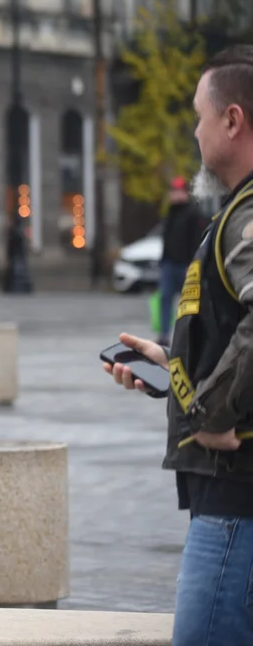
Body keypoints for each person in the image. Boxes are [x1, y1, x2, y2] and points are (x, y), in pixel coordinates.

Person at [103, 45, 253, 646]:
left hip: (235, 488)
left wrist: (210, 411)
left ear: (233, 120)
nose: (194, 131)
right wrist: (176, 365)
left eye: (199, 116)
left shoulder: (247, 217)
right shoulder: (235, 213)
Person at [158, 176, 205, 346]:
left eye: (179, 191)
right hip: (169, 264)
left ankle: (187, 336)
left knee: (188, 303)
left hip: (184, 265)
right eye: (174, 191)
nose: (176, 195)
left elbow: (196, 240)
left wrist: (192, 264)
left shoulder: (193, 213)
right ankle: (164, 334)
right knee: (165, 298)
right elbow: (166, 239)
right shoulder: (170, 212)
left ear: (185, 193)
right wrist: (162, 261)